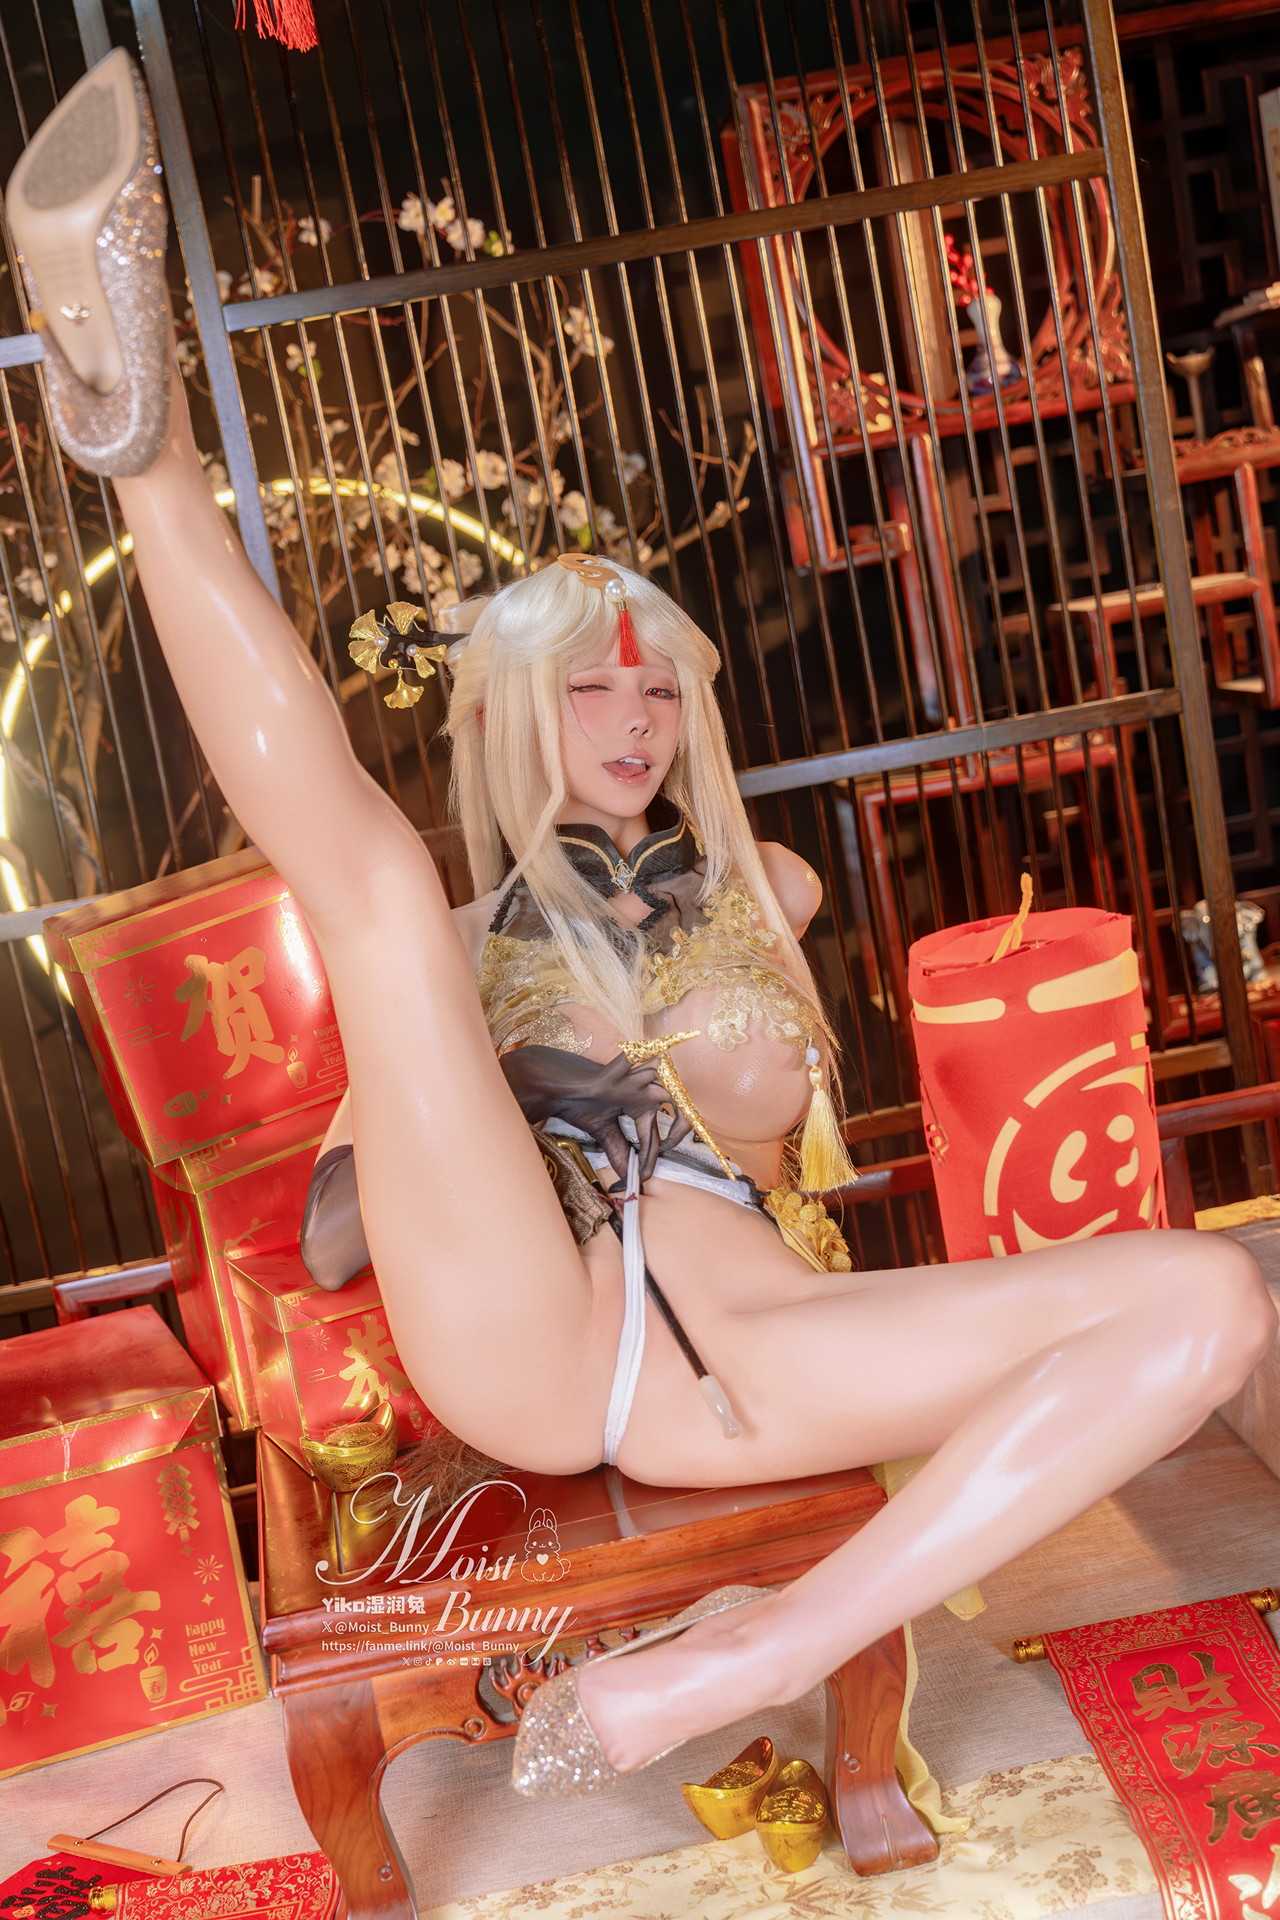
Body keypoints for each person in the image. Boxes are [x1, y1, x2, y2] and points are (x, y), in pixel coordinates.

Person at [9, 48, 1274, 1804]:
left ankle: (767, 1645)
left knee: (1215, 1293)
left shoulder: (774, 889)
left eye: (658, 687)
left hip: (756, 1340)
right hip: (531, 1332)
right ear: (517, 721)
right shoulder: (462, 933)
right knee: (377, 900)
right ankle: (130, 422)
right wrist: (472, 1082)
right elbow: (332, 1242)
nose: (632, 721)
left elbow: (791, 1147)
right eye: (589, 690)